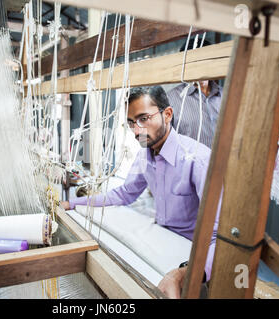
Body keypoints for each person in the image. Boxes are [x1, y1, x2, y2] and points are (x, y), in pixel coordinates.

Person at [61, 85, 221, 298]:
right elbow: (124, 194)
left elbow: (219, 237)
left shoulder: (198, 160)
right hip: (161, 245)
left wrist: (185, 273)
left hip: (194, 256)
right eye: (131, 123)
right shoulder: (145, 157)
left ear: (168, 114)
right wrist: (72, 204)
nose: (136, 132)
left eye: (144, 119)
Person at [166, 39, 223, 149]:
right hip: (189, 166)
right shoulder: (171, 99)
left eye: (204, 61)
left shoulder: (227, 95)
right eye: (193, 63)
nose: (199, 68)